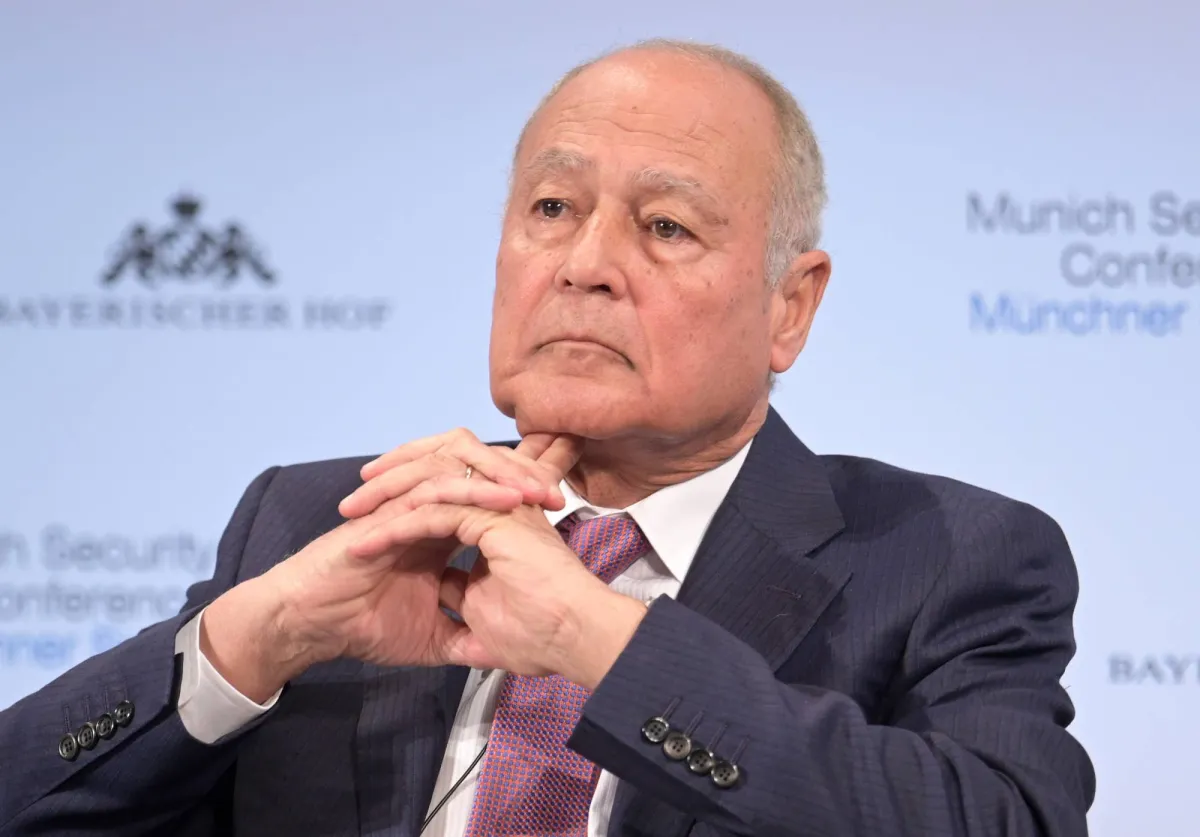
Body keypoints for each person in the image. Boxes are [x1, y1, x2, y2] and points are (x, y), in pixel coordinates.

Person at [0, 39, 1095, 837]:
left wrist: (599, 642)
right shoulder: (322, 522)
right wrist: (255, 638)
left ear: (789, 307)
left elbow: (1010, 821)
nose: (585, 264)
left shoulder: (944, 556)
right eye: (553, 210)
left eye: (665, 226)